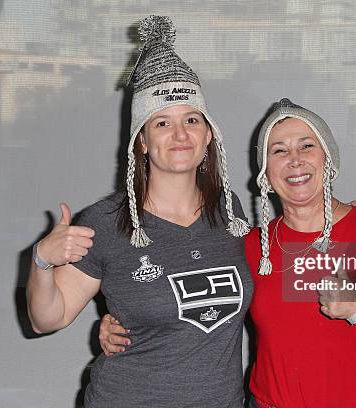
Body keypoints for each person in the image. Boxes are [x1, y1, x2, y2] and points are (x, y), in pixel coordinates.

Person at [101, 98, 356, 407]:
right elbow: (189, 296)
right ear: (266, 174)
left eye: (307, 146)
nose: (295, 160)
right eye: (279, 151)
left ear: (328, 158)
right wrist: (124, 322)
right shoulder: (251, 245)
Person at [26, 16, 252, 408]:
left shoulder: (228, 210)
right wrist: (42, 260)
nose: (180, 135)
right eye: (162, 123)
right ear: (142, 142)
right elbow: (47, 318)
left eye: (192, 120)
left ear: (209, 134)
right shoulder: (105, 222)